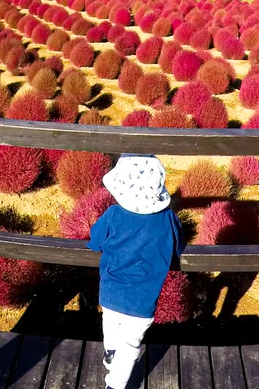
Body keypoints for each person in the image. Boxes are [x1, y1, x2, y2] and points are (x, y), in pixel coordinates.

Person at [88, 155, 184, 389]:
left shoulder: (112, 214)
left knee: (109, 320)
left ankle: (110, 352)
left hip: (110, 288)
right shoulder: (168, 218)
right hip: (143, 297)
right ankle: (116, 384)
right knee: (131, 343)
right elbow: (178, 245)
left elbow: (95, 240)